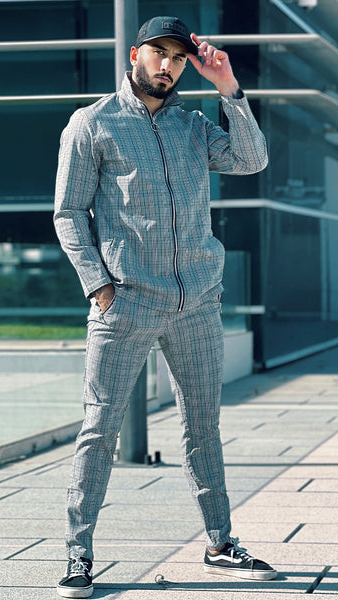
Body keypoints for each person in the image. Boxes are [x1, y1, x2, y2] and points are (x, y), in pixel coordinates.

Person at [54, 15, 277, 599]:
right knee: (98, 429)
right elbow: (68, 213)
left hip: (196, 302)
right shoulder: (92, 124)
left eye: (179, 58)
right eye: (159, 53)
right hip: (124, 303)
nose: (169, 66)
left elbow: (251, 159)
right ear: (135, 55)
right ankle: (78, 554)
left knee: (203, 427)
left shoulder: (193, 126)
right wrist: (99, 286)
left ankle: (220, 543)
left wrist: (228, 88)